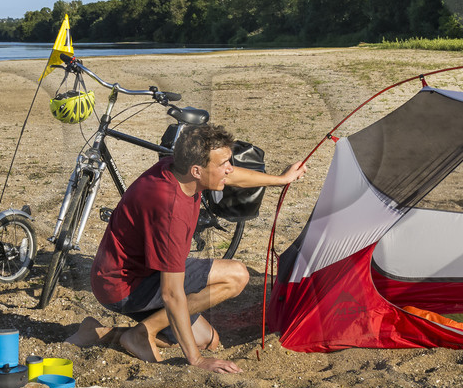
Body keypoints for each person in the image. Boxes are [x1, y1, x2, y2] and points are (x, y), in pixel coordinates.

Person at [66, 123, 304, 373]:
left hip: (131, 275)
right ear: (197, 171)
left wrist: (281, 179)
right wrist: (197, 361)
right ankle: (142, 332)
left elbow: (231, 176)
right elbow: (171, 293)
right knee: (236, 275)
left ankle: (101, 333)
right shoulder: (171, 211)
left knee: (204, 338)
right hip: (123, 287)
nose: (229, 169)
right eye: (223, 163)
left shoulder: (176, 168)